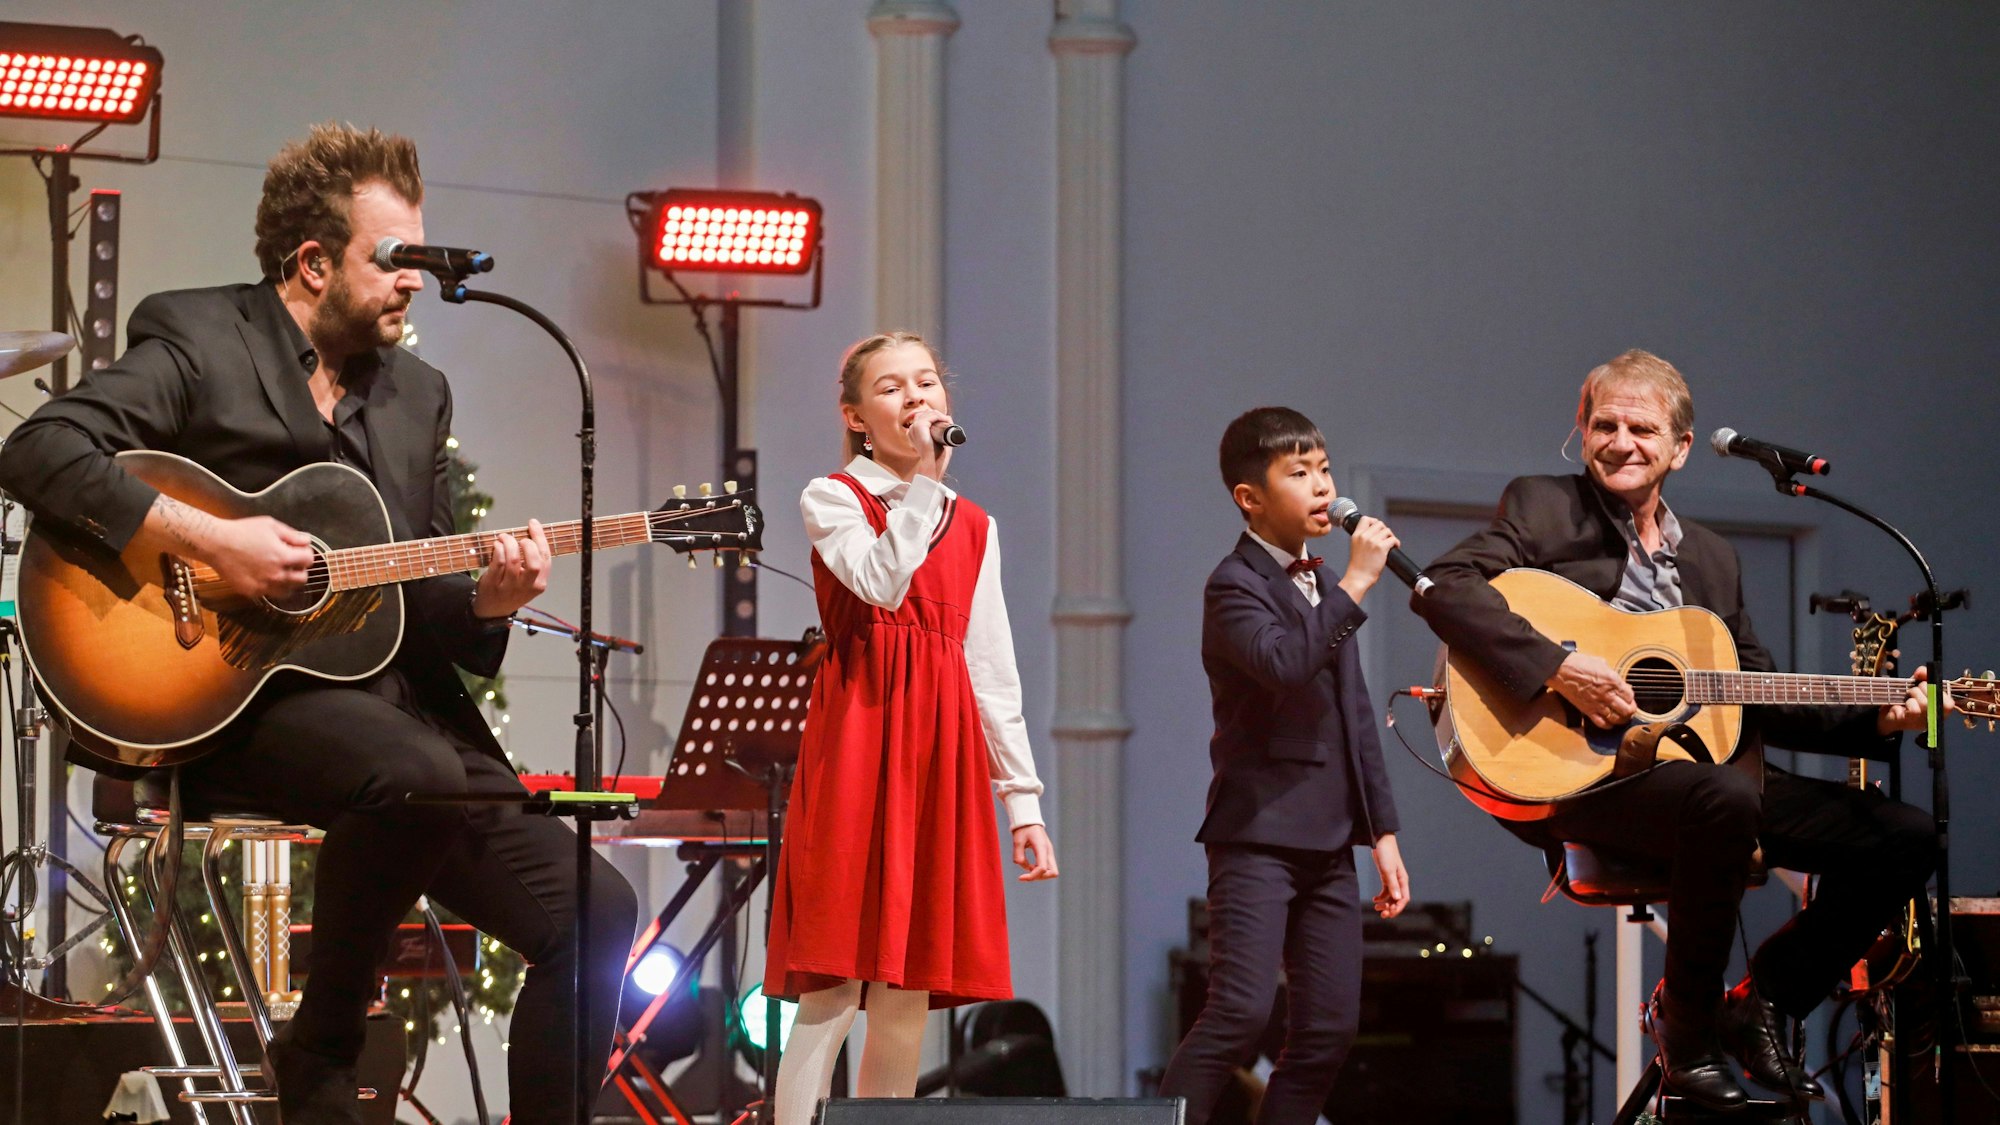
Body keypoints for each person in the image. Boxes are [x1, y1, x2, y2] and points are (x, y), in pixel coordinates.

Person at [0, 123, 637, 1124]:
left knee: (595, 912)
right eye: (393, 257)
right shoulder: (203, 338)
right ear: (312, 262)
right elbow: (41, 449)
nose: (415, 279)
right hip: (230, 702)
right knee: (410, 774)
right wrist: (214, 542)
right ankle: (324, 1050)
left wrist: (486, 599)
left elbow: (421, 594)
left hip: (397, 722)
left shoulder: (416, 395)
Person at [1412, 349, 1939, 1110]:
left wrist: (1877, 714)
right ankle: (1685, 1029)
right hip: (1588, 774)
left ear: (1682, 447)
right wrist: (1558, 667)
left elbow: (1756, 692)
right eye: (1604, 425)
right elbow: (1443, 586)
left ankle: (1763, 1001)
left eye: (1642, 429)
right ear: (1581, 431)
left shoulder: (1713, 560)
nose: (1620, 442)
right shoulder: (1543, 505)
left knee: (1906, 837)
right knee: (1724, 795)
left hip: (1703, 774)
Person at [763, 332, 1058, 1125]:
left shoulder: (975, 525)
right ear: (856, 416)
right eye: (892, 387)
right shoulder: (832, 496)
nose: (916, 397)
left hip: (938, 757)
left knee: (904, 997)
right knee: (833, 989)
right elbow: (880, 582)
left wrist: (1023, 803)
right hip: (859, 745)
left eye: (926, 382)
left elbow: (990, 666)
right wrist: (925, 487)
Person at [1158, 407, 1411, 1125]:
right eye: (1299, 473)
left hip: (1329, 841)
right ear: (1251, 497)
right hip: (1258, 834)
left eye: (1324, 469)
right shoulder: (1233, 584)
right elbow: (1283, 664)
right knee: (1238, 1013)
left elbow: (1354, 715)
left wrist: (1383, 831)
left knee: (1329, 1028)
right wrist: (1354, 585)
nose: (1323, 486)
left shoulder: (1323, 584)